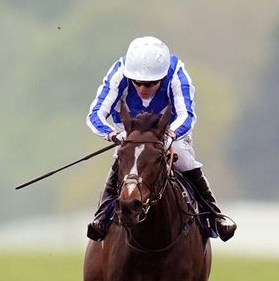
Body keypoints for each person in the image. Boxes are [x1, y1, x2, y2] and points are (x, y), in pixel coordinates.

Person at [86, 36, 235, 242]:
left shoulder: (176, 74)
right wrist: (113, 134)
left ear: (162, 77)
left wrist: (170, 136)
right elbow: (95, 114)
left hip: (168, 132)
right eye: (137, 83)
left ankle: (215, 215)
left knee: (184, 158)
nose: (142, 89)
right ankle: (102, 217)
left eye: (150, 84)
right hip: (130, 135)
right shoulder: (119, 73)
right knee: (121, 161)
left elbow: (186, 115)